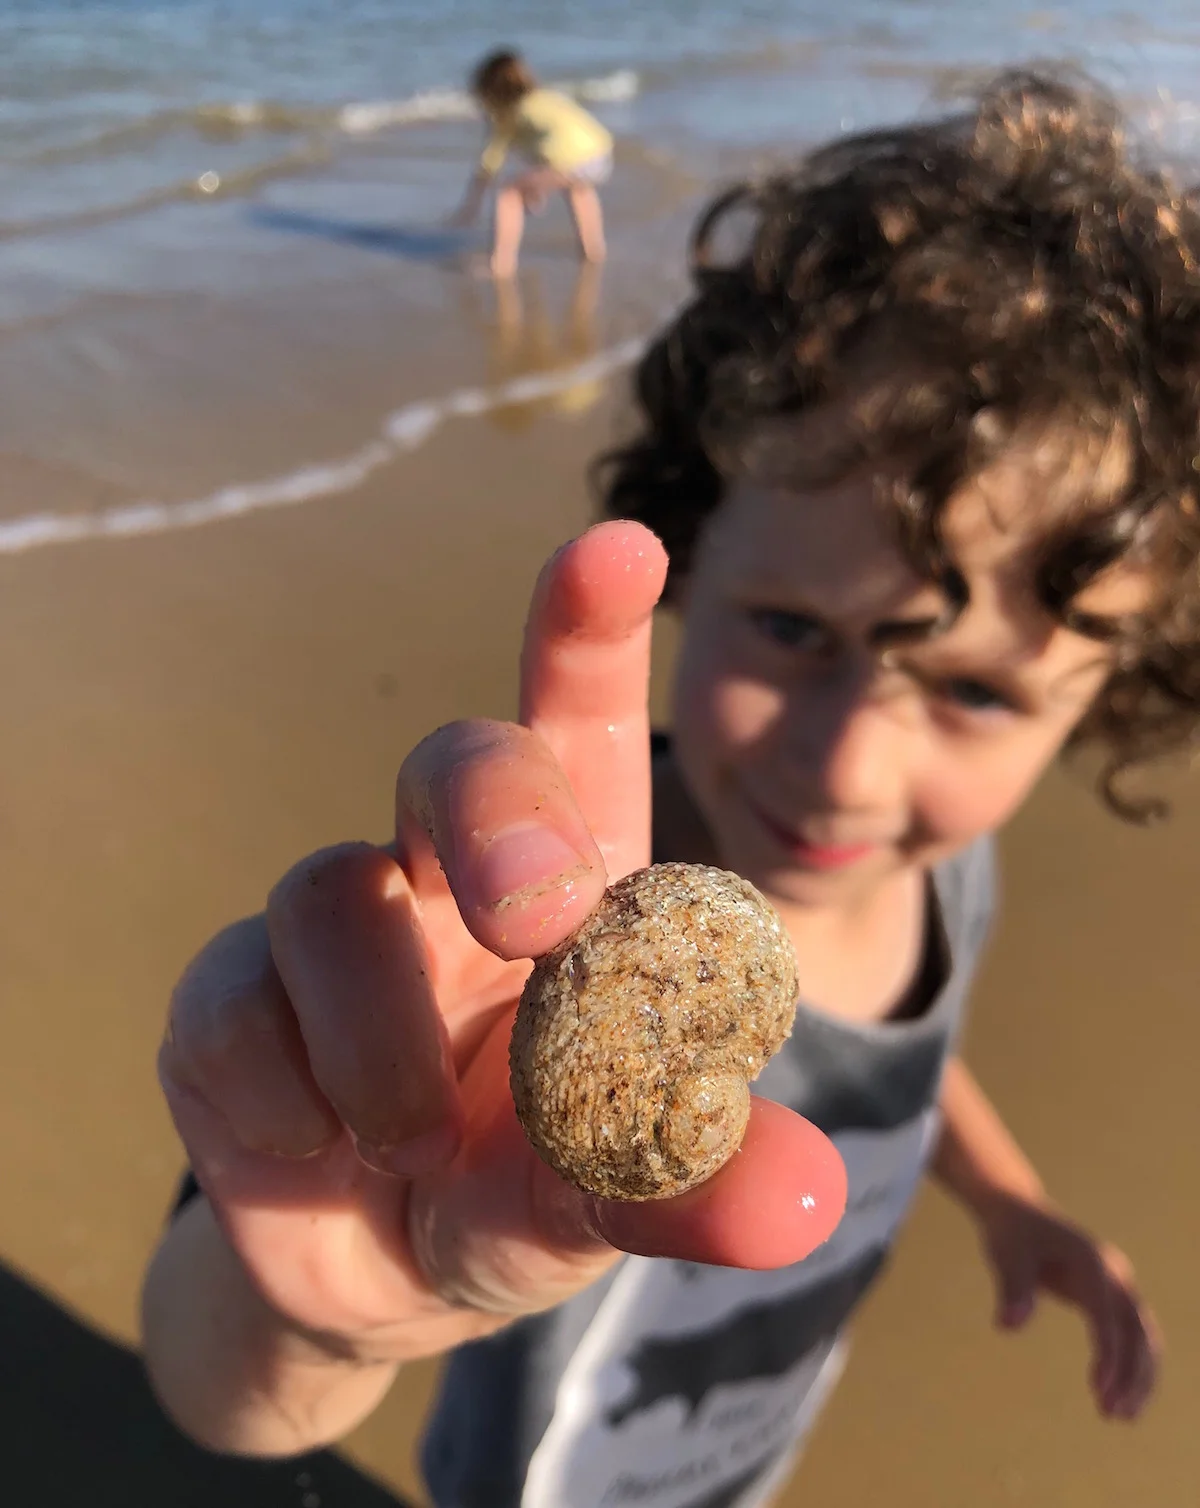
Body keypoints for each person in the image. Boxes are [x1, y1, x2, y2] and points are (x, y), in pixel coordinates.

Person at [141, 71, 1191, 1508]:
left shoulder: (953, 880)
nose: (849, 763)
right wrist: (321, 1319)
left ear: (1109, 692)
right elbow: (215, 1397)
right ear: (688, 553)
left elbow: (913, 1062)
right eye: (792, 629)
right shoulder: (509, 945)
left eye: (977, 691)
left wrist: (1009, 1199)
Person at [450, 49, 611, 278]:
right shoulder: (544, 97)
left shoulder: (509, 112)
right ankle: (593, 251)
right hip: (600, 152)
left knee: (509, 193)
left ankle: (501, 263)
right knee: (578, 189)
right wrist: (537, 187)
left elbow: (491, 161)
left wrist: (470, 205)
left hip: (570, 158)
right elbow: (558, 136)